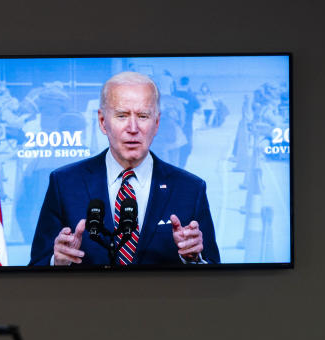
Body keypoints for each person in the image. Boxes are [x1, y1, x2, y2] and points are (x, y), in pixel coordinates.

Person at [28, 71, 220, 266]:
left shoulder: (190, 188)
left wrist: (193, 259)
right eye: (122, 116)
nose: (133, 128)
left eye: (143, 116)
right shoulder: (65, 183)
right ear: (103, 122)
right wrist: (57, 262)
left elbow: (214, 271)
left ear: (156, 123)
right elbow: (37, 265)